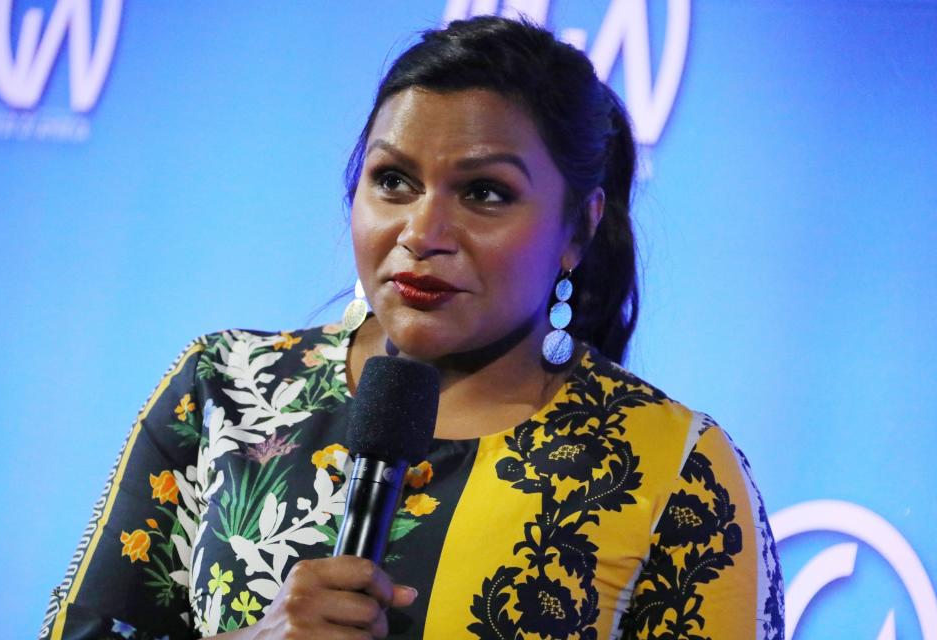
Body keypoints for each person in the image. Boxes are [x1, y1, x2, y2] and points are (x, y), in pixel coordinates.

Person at [40, 15, 784, 640]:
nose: (423, 230)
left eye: (485, 193)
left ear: (577, 230)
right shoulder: (226, 389)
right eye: (393, 180)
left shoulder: (672, 466)